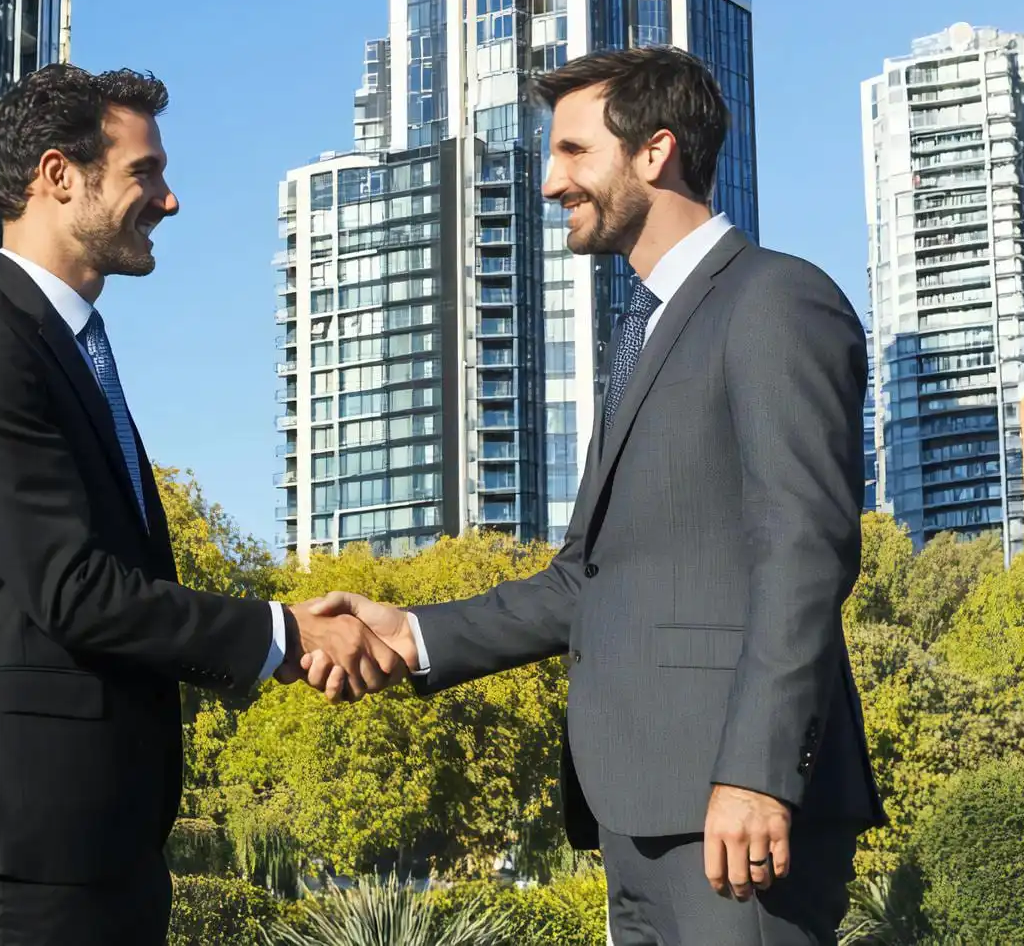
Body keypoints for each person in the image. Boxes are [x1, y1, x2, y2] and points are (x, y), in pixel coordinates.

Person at [307, 46, 884, 945]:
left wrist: (759, 772)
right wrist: (410, 632)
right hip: (638, 814)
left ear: (655, 153)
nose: (549, 182)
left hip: (734, 813)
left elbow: (804, 549)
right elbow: (586, 580)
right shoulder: (640, 333)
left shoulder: (775, 300)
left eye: (574, 152)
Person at [0, 65, 404, 945]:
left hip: (103, 847)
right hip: (27, 855)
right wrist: (283, 635)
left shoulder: (67, 347)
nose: (169, 201)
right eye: (145, 173)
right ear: (60, 175)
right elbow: (74, 588)